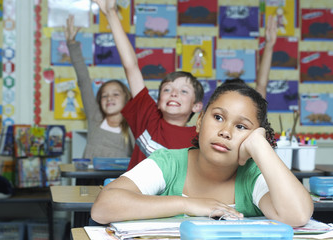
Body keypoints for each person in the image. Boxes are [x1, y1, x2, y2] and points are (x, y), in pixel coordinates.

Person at [91, 82, 313, 227]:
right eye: (218, 117)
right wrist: (188, 205)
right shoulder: (169, 163)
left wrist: (261, 146)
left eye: (241, 127)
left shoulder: (252, 176)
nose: (225, 132)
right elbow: (103, 208)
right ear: (199, 122)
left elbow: (297, 216)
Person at [93, 0, 277, 170]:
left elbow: (256, 100)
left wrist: (269, 46)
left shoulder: (203, 135)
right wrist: (111, 13)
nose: (173, 94)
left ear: (197, 107)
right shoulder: (147, 118)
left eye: (183, 91)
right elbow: (131, 67)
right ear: (158, 101)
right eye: (167, 89)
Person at [65, 15, 135, 160]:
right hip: (90, 181)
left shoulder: (132, 128)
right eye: (104, 95)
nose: (109, 98)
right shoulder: (95, 117)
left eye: (115, 94)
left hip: (117, 181)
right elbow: (84, 80)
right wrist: (72, 44)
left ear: (126, 98)